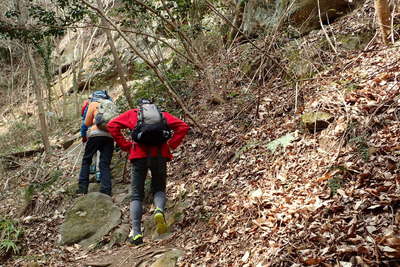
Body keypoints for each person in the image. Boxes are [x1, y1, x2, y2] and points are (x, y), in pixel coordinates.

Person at [107, 99, 189, 245]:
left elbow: (112, 125)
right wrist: (171, 144)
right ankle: (158, 209)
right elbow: (183, 126)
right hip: (160, 155)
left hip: (139, 156)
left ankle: (137, 233)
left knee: (137, 195)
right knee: (159, 188)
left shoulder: (133, 114)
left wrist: (126, 145)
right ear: (153, 107)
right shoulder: (162, 115)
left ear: (140, 107)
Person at [77, 90, 115, 196]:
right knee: (104, 164)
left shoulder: (93, 104)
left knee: (86, 160)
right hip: (109, 136)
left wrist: (84, 135)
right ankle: (106, 190)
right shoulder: (111, 105)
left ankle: (82, 188)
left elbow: (87, 122)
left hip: (95, 135)